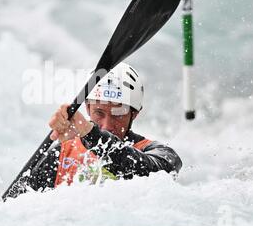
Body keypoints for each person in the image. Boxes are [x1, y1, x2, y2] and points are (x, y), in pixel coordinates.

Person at [26, 62, 182, 192]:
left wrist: (92, 135)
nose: (107, 126)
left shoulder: (158, 153)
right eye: (99, 113)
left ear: (134, 113)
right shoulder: (61, 153)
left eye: (118, 114)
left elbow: (156, 173)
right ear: (87, 108)